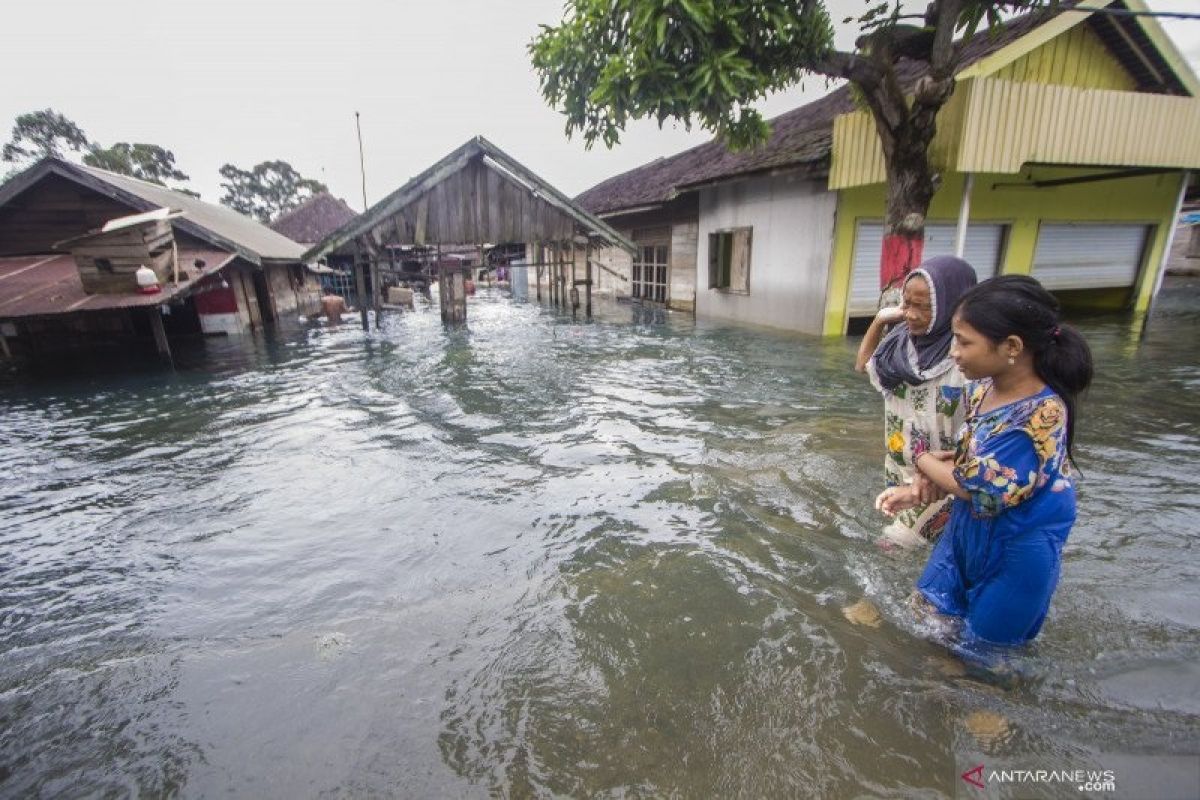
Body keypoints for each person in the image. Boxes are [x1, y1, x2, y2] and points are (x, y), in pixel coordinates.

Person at [877, 275, 1094, 645]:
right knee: (925, 620)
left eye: (963, 341)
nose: (953, 352)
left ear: (1011, 346)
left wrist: (920, 458)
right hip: (964, 538)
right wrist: (919, 488)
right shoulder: (984, 390)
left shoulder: (1041, 416)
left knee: (983, 662)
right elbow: (968, 459)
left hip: (1016, 556)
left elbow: (974, 486)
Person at [855, 256, 978, 548]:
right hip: (901, 469)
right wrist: (881, 320)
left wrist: (934, 468)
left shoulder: (968, 356)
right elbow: (864, 364)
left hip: (945, 481)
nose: (910, 314)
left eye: (923, 306)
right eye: (906, 303)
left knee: (890, 547)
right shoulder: (899, 345)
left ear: (952, 303)